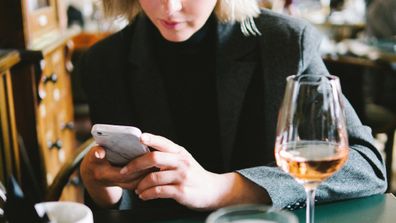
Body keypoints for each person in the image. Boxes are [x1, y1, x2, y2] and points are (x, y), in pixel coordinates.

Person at [78, 0, 386, 212]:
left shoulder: (285, 44)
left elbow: (366, 167)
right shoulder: (104, 62)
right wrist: (105, 190)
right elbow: (127, 200)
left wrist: (224, 189)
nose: (169, 7)